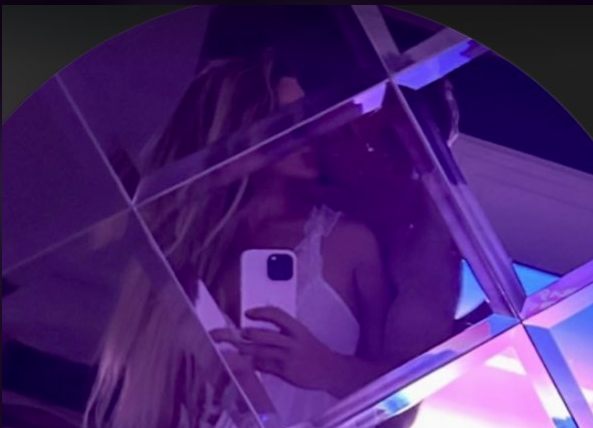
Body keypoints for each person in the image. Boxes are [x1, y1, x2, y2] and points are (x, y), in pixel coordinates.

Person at [84, 47, 395, 428]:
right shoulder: (177, 251)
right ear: (237, 133)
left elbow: (403, 404)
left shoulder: (348, 244)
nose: (313, 133)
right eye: (289, 121)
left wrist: (331, 369)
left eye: (312, 116)